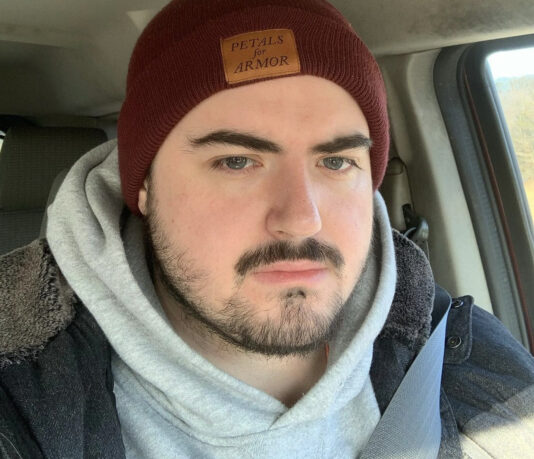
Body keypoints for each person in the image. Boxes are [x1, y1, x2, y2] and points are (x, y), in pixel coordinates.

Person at [1, 0, 534, 457]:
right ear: (143, 189)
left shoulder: (459, 354)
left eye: (336, 162)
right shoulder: (19, 382)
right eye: (236, 161)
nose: (303, 218)